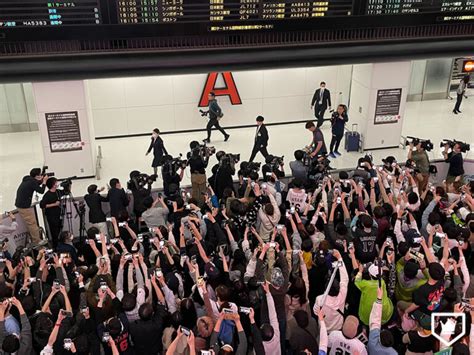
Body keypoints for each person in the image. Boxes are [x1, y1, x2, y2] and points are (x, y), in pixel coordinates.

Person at [14, 168, 49, 245]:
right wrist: (45, 182)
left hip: (21, 205)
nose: (41, 176)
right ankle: (37, 241)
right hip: (23, 207)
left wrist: (42, 180)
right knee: (32, 224)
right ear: (37, 176)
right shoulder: (32, 182)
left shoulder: (28, 180)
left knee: (32, 223)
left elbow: (35, 185)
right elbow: (41, 191)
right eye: (40, 174)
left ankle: (35, 239)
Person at [39, 177, 65, 248]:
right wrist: (54, 204)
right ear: (53, 185)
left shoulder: (58, 192)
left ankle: (60, 245)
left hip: (59, 215)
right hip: (52, 216)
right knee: (54, 233)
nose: (57, 184)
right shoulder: (47, 195)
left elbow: (66, 191)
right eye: (56, 182)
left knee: (59, 230)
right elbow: (42, 205)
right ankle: (56, 247)